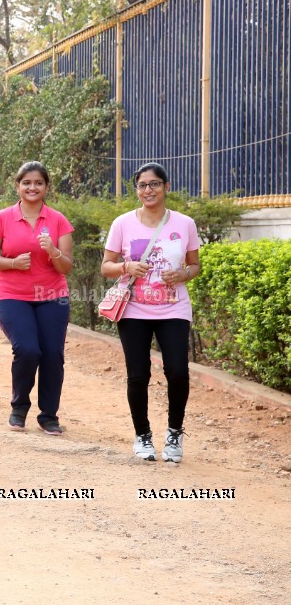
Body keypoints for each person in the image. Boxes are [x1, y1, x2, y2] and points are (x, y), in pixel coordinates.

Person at [102, 162, 200, 463]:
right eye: (143, 185)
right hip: (133, 309)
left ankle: (174, 434)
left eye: (154, 184)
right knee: (138, 374)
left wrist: (183, 274)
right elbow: (106, 267)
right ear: (137, 190)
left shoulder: (184, 224)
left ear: (166, 187)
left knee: (178, 371)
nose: (148, 190)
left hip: (174, 308)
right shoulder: (122, 223)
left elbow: (195, 265)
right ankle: (142, 436)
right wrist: (126, 267)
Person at [0, 161, 74, 435]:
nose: (32, 187)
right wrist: (12, 264)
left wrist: (54, 252)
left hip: (52, 295)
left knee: (52, 354)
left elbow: (67, 267)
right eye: (26, 182)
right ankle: (19, 407)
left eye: (38, 183)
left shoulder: (58, 220)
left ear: (46, 187)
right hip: (12, 294)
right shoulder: (2, 218)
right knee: (27, 349)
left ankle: (48, 415)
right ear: (18, 186)